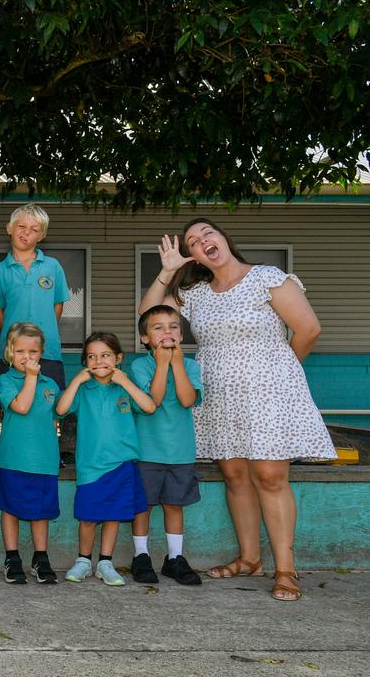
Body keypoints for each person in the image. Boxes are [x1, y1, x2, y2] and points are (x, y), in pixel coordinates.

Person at [139, 219, 335, 601]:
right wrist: (166, 272)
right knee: (234, 474)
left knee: (270, 475)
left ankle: (285, 570)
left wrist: (279, 374)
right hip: (219, 393)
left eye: (207, 233)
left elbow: (308, 328)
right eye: (193, 242)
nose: (202, 241)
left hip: (269, 392)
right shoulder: (197, 293)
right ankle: (249, 559)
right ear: (193, 257)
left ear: (224, 237)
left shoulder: (267, 277)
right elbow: (147, 319)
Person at [56, 332, 155, 587]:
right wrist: (77, 381)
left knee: (112, 516)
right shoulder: (84, 388)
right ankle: (83, 560)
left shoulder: (125, 385)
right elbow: (61, 409)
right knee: (88, 517)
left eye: (105, 355)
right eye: (92, 356)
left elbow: (149, 406)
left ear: (118, 358)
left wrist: (125, 382)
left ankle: (105, 562)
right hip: (90, 464)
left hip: (121, 462)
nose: (98, 361)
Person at [129, 305, 204, 586]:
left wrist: (176, 364)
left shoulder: (191, 365)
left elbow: (186, 400)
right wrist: (162, 364)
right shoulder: (140, 366)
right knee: (143, 505)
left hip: (180, 451)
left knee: (174, 505)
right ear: (145, 338)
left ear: (181, 334)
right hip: (147, 450)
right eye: (158, 327)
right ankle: (141, 555)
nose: (167, 332)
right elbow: (153, 402)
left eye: (173, 326)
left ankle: (174, 558)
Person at [0, 323, 61, 586]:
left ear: (42, 353)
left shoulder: (50, 384)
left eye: (33, 351)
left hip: (44, 460)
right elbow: (20, 406)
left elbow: (60, 412)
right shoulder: (5, 380)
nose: (27, 357)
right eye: (20, 351)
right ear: (9, 352)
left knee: (41, 512)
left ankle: (40, 557)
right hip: (13, 458)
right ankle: (12, 557)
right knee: (10, 508)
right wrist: (31, 378)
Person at [0, 204, 70, 389]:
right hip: (10, 353)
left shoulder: (53, 266)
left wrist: (40, 334)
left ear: (41, 236)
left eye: (34, 230)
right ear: (9, 228)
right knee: (10, 405)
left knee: (50, 405)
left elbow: (57, 306)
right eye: (21, 226)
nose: (26, 232)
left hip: (47, 352)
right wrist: (16, 337)